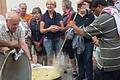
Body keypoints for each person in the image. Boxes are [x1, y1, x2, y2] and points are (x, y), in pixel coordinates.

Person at [68, 0, 120, 80]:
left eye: (93, 10)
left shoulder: (103, 18)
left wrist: (73, 26)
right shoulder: (115, 13)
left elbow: (84, 33)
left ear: (99, 6)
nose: (94, 13)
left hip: (109, 61)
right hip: (117, 58)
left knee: (98, 74)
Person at [69, 0, 95, 80]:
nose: (82, 6)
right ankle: (81, 75)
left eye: (84, 4)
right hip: (77, 41)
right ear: (78, 7)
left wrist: (80, 30)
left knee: (87, 59)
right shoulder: (74, 15)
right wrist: (74, 30)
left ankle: (89, 76)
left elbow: (93, 28)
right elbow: (70, 26)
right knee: (79, 58)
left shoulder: (90, 15)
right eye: (80, 5)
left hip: (88, 41)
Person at [40, 0, 65, 65]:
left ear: (55, 6)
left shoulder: (58, 15)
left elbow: (63, 29)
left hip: (58, 39)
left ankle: (58, 72)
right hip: (48, 39)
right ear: (46, 6)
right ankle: (51, 73)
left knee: (58, 57)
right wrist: (49, 29)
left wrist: (58, 28)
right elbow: (41, 30)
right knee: (49, 58)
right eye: (48, 4)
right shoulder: (43, 16)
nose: (49, 6)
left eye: (51, 4)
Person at [62, 0, 77, 77]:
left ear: (66, 6)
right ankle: (65, 67)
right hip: (64, 36)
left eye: (63, 6)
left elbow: (70, 24)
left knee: (71, 53)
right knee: (65, 53)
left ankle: (74, 70)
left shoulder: (72, 13)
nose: (62, 7)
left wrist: (63, 29)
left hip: (70, 36)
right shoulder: (64, 14)